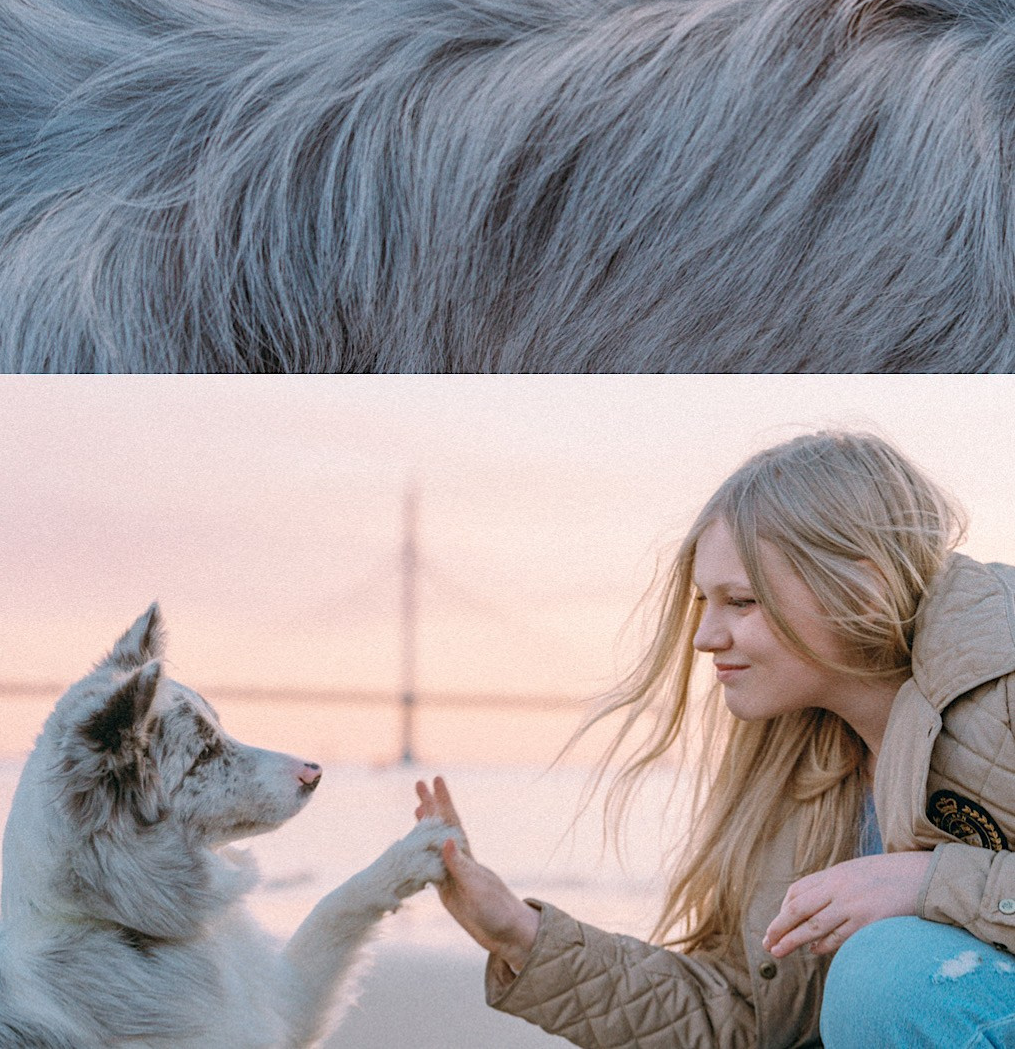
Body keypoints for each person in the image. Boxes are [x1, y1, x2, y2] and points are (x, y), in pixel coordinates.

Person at [415, 431, 1015, 1048]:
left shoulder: (1006, 674)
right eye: (706, 601)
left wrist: (925, 884)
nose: (704, 637)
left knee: (888, 973)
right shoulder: (800, 760)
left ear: (859, 591)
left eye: (742, 602)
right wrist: (518, 934)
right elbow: (749, 1019)